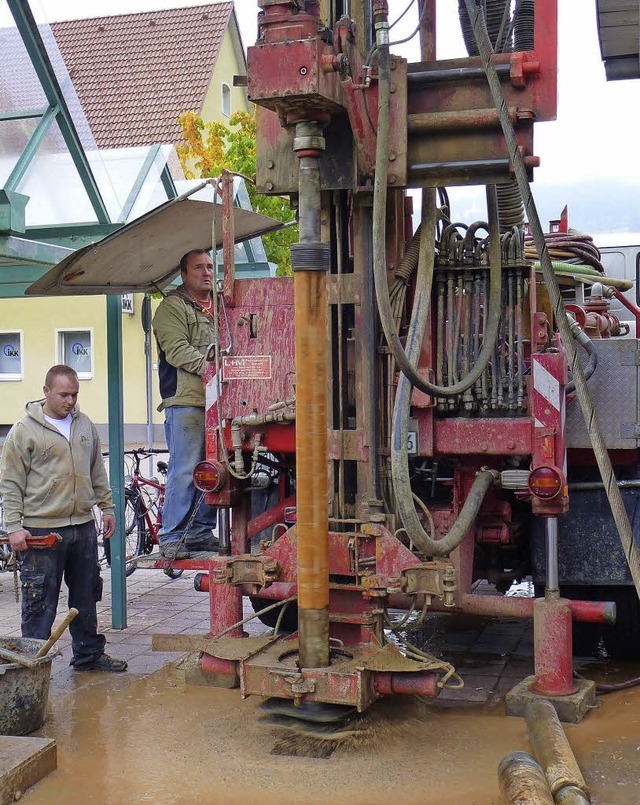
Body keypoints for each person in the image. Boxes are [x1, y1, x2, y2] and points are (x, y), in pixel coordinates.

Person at [0, 365, 127, 672]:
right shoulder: (24, 431)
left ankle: (88, 656)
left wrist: (107, 508)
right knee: (39, 602)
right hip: (41, 532)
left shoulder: (84, 425)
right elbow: (12, 483)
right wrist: (14, 527)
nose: (70, 401)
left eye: (75, 394)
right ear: (46, 392)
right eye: (64, 395)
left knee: (86, 597)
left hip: (82, 526)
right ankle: (32, 663)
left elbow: (97, 471)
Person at [152, 248, 218, 559]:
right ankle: (172, 536)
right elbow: (176, 350)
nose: (206, 272)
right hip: (187, 402)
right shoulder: (171, 308)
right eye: (198, 268)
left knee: (214, 469)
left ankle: (200, 533)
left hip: (219, 403)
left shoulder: (217, 307)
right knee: (185, 469)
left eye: (209, 266)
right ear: (184, 274)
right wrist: (212, 368)